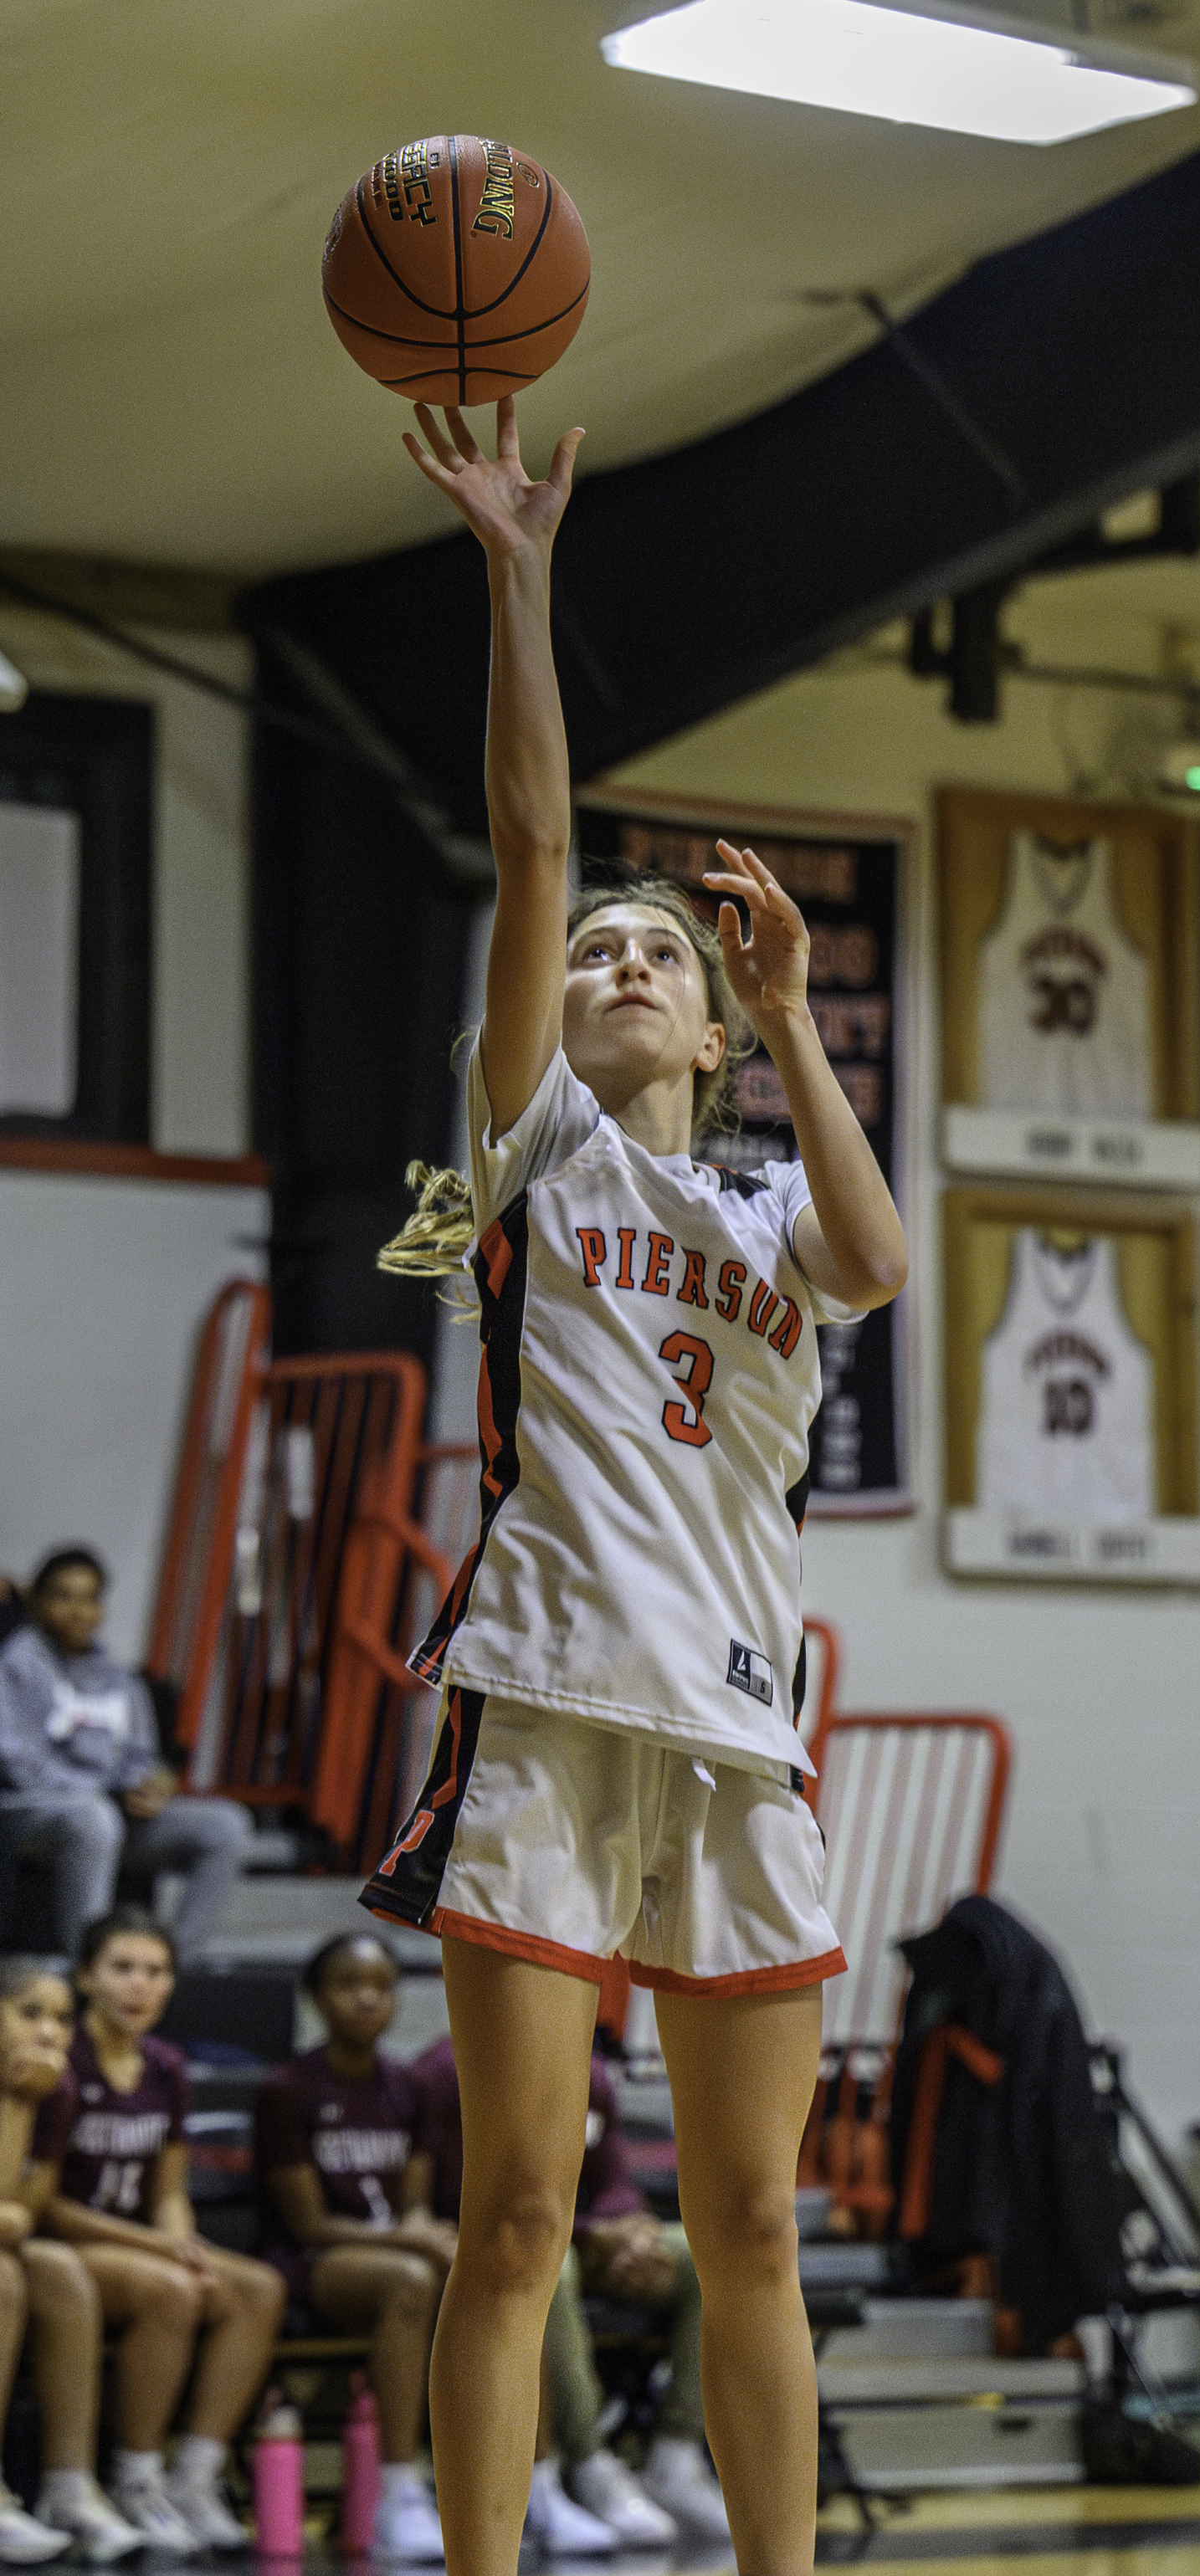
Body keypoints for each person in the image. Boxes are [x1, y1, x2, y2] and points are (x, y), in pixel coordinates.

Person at [360, 394, 908, 2576]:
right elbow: (522, 839)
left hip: (734, 1733)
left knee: (752, 2213)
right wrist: (518, 567)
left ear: (704, 1030)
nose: (613, 962)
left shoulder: (775, 1207)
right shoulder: (539, 1150)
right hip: (558, 1700)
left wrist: (790, 1013)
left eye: (650, 954)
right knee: (507, 2204)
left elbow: (876, 1261)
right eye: (600, 952)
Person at [413, 2030, 726, 2546]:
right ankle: (590, 2461)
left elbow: (613, 2187)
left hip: (582, 2239)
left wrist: (632, 2233)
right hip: (488, 2243)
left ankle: (676, 2454)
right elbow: (458, 2199)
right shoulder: (446, 2072)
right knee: (545, 2269)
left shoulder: (591, 2072)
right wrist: (588, 2234)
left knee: (705, 2259)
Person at [33, 1909, 285, 2551]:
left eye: (155, 1971)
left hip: (136, 2239)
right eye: (122, 1968)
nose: (138, 1986)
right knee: (171, 2287)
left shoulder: (168, 2066)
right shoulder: (63, 2061)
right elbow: (49, 2205)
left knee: (258, 2288)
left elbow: (169, 2190)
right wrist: (162, 2246)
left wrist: (184, 2238)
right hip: (67, 2240)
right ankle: (134, 2478)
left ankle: (193, 2476)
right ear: (88, 1977)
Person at [254, 1932, 450, 2564]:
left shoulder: (412, 2086)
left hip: (392, 2249)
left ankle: (539, 2478)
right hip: (311, 2260)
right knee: (409, 2279)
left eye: (382, 1986)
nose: (368, 1998)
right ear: (315, 1996)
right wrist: (411, 2236)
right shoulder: (287, 2087)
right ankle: (399, 2487)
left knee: (500, 2276)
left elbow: (414, 2199)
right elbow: (308, 2222)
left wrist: (422, 2231)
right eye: (348, 1984)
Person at [0, 1551, 251, 1959]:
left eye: (89, 1598)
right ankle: (94, 1965)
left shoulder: (120, 1679)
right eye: (63, 1597)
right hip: (32, 1813)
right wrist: (107, 1792)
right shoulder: (15, 1665)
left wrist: (147, 1785)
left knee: (226, 1825)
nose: (78, 1610)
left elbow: (140, 1756)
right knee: (94, 1820)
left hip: (112, 1811)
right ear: (37, 1604)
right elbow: (19, 1764)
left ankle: (173, 1965)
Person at [0, 1956, 141, 2564]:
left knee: (59, 2270)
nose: (50, 2031)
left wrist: (22, 2100)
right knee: (3, 2276)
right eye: (29, 2012)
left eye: (61, 2017)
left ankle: (69, 2483)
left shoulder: (49, 2088)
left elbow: (19, 2212)